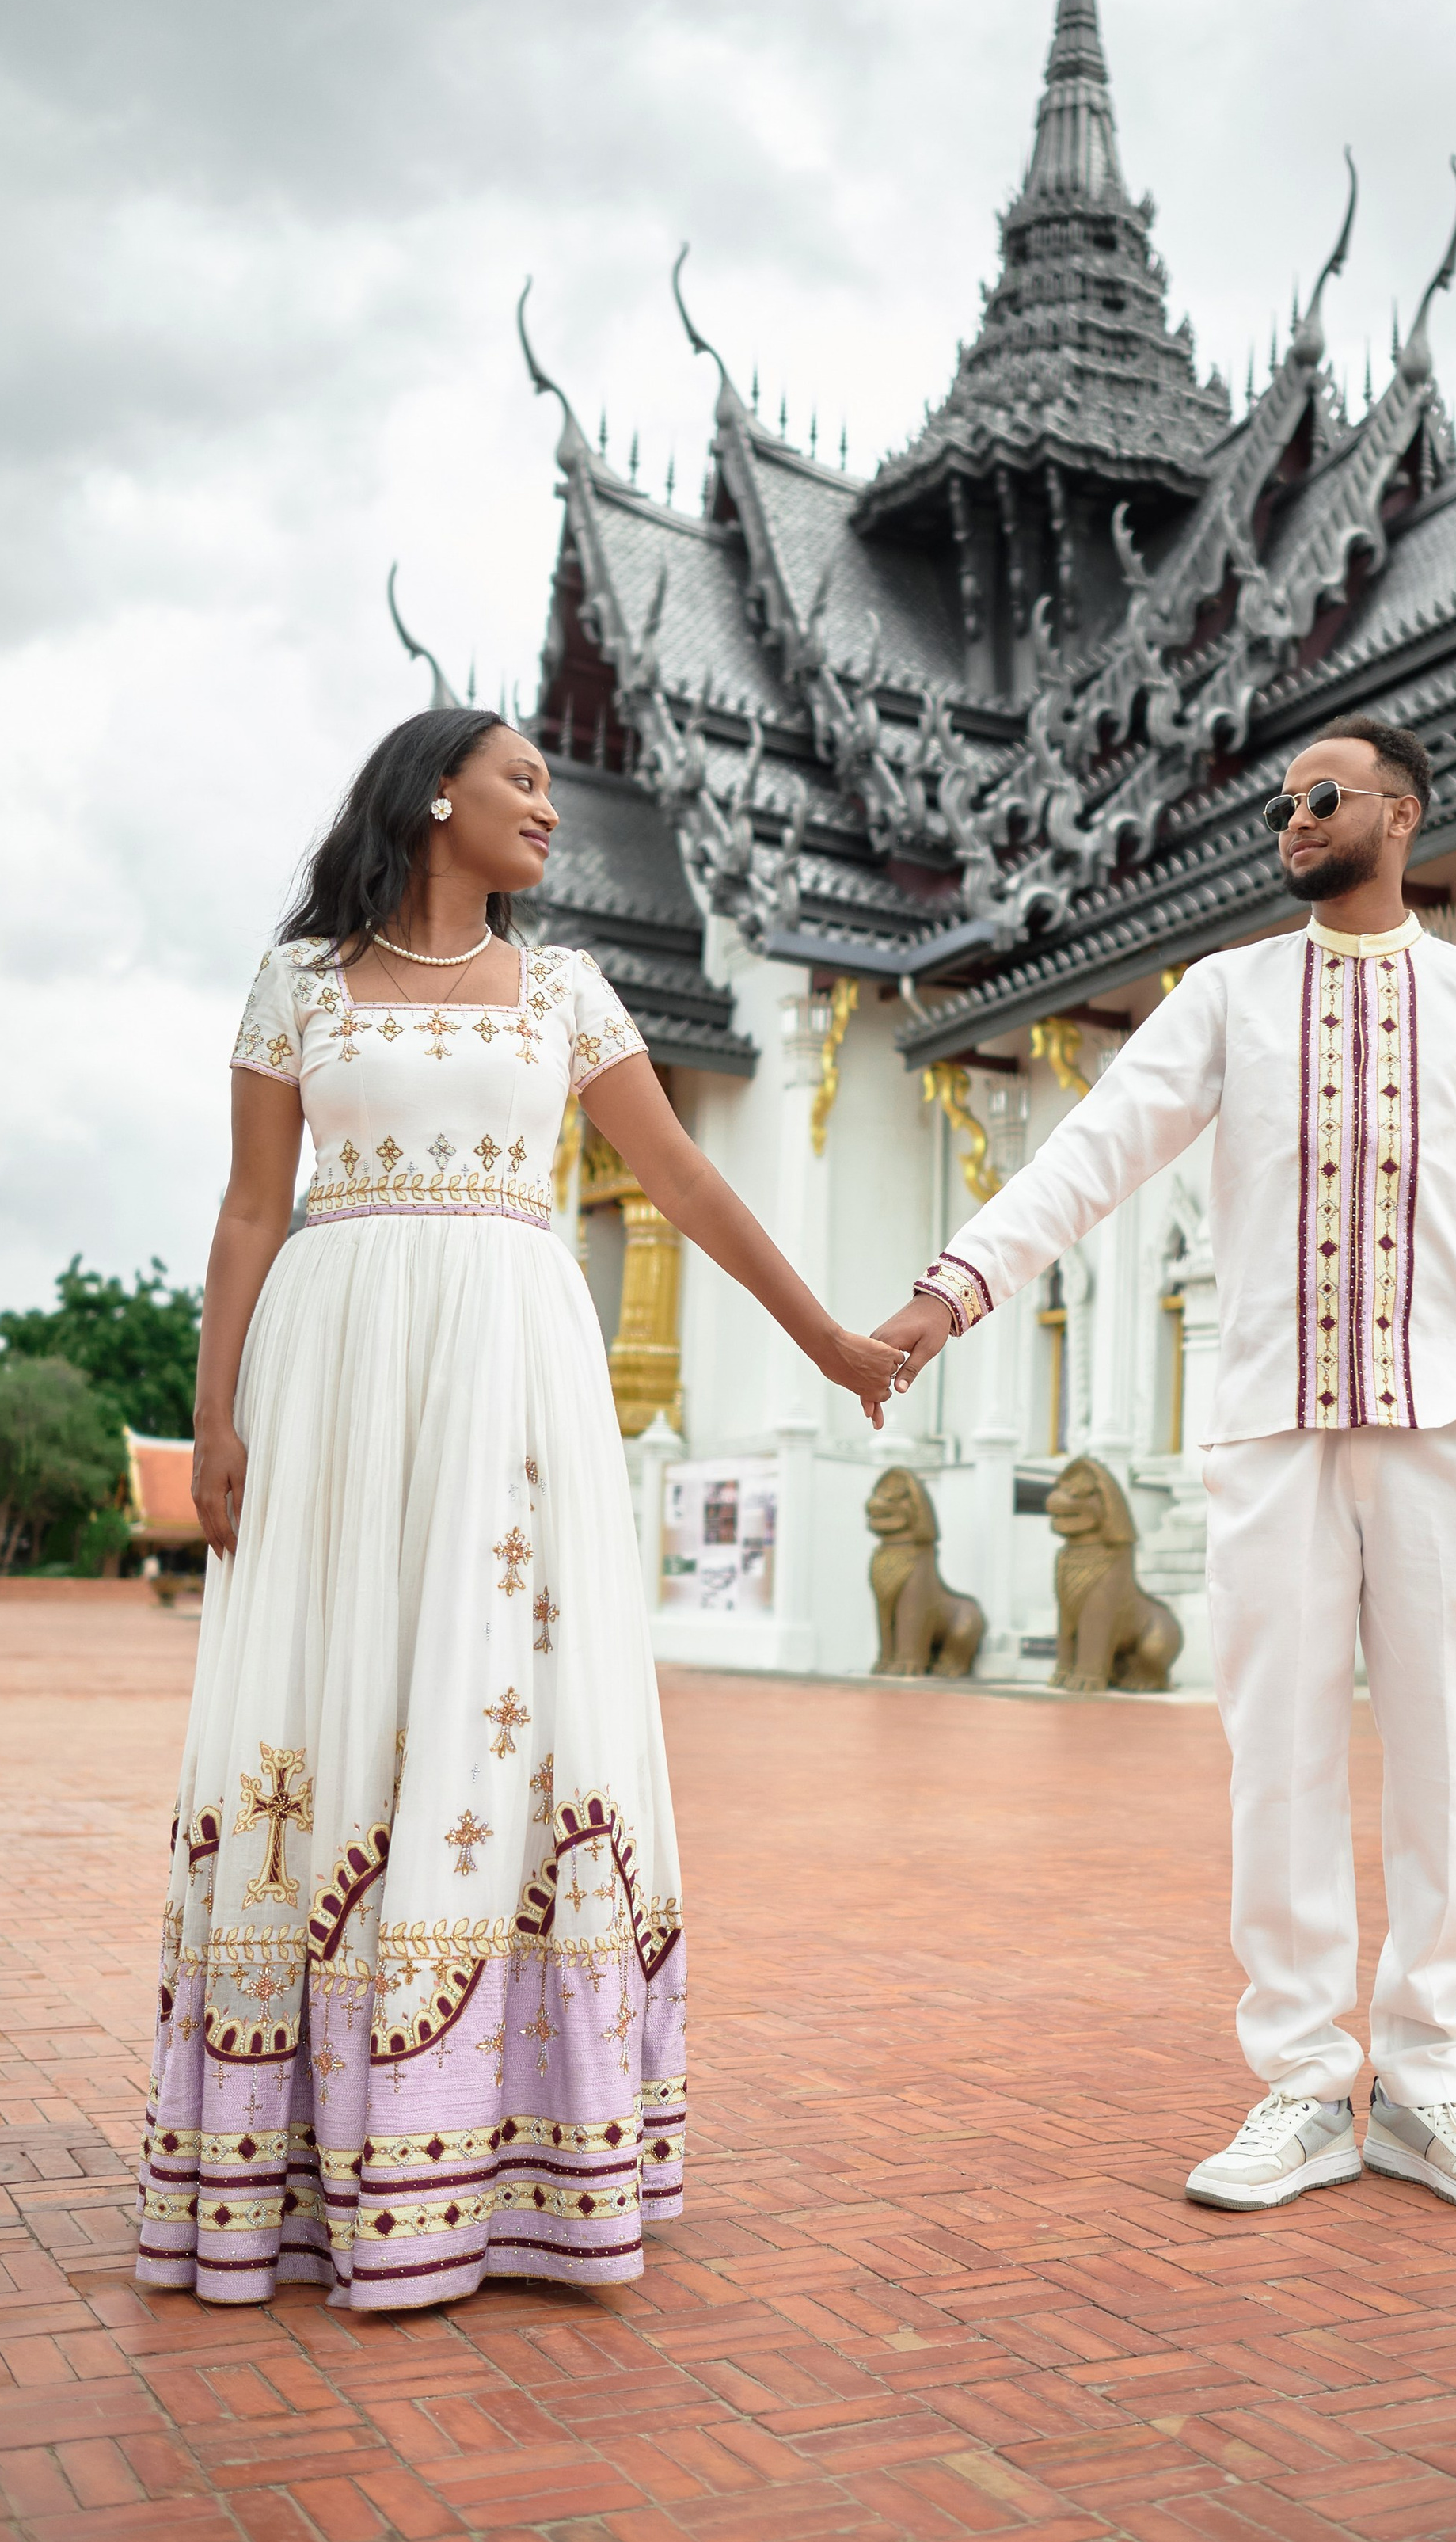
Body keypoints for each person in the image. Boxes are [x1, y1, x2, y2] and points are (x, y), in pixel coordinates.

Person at [135, 707, 897, 2310]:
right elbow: (251, 1207)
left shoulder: (564, 988)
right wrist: (214, 1414)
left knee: (503, 1709)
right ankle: (301, 2146)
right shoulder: (298, 987)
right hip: (333, 1374)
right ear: (434, 796)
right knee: (335, 1708)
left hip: (512, 1376)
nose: (550, 808)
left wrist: (826, 1336)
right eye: (524, 782)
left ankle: (503, 2139)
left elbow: (681, 1179)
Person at [872, 716, 1456, 2218]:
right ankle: (1298, 2087)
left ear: (1398, 816)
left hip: (1452, 1433)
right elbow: (1089, 1155)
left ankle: (1425, 2089)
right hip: (1271, 1431)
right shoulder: (1228, 998)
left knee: (1446, 1761)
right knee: (1275, 1756)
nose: (1291, 817)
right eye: (1283, 801)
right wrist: (951, 1292)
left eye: (1319, 797)